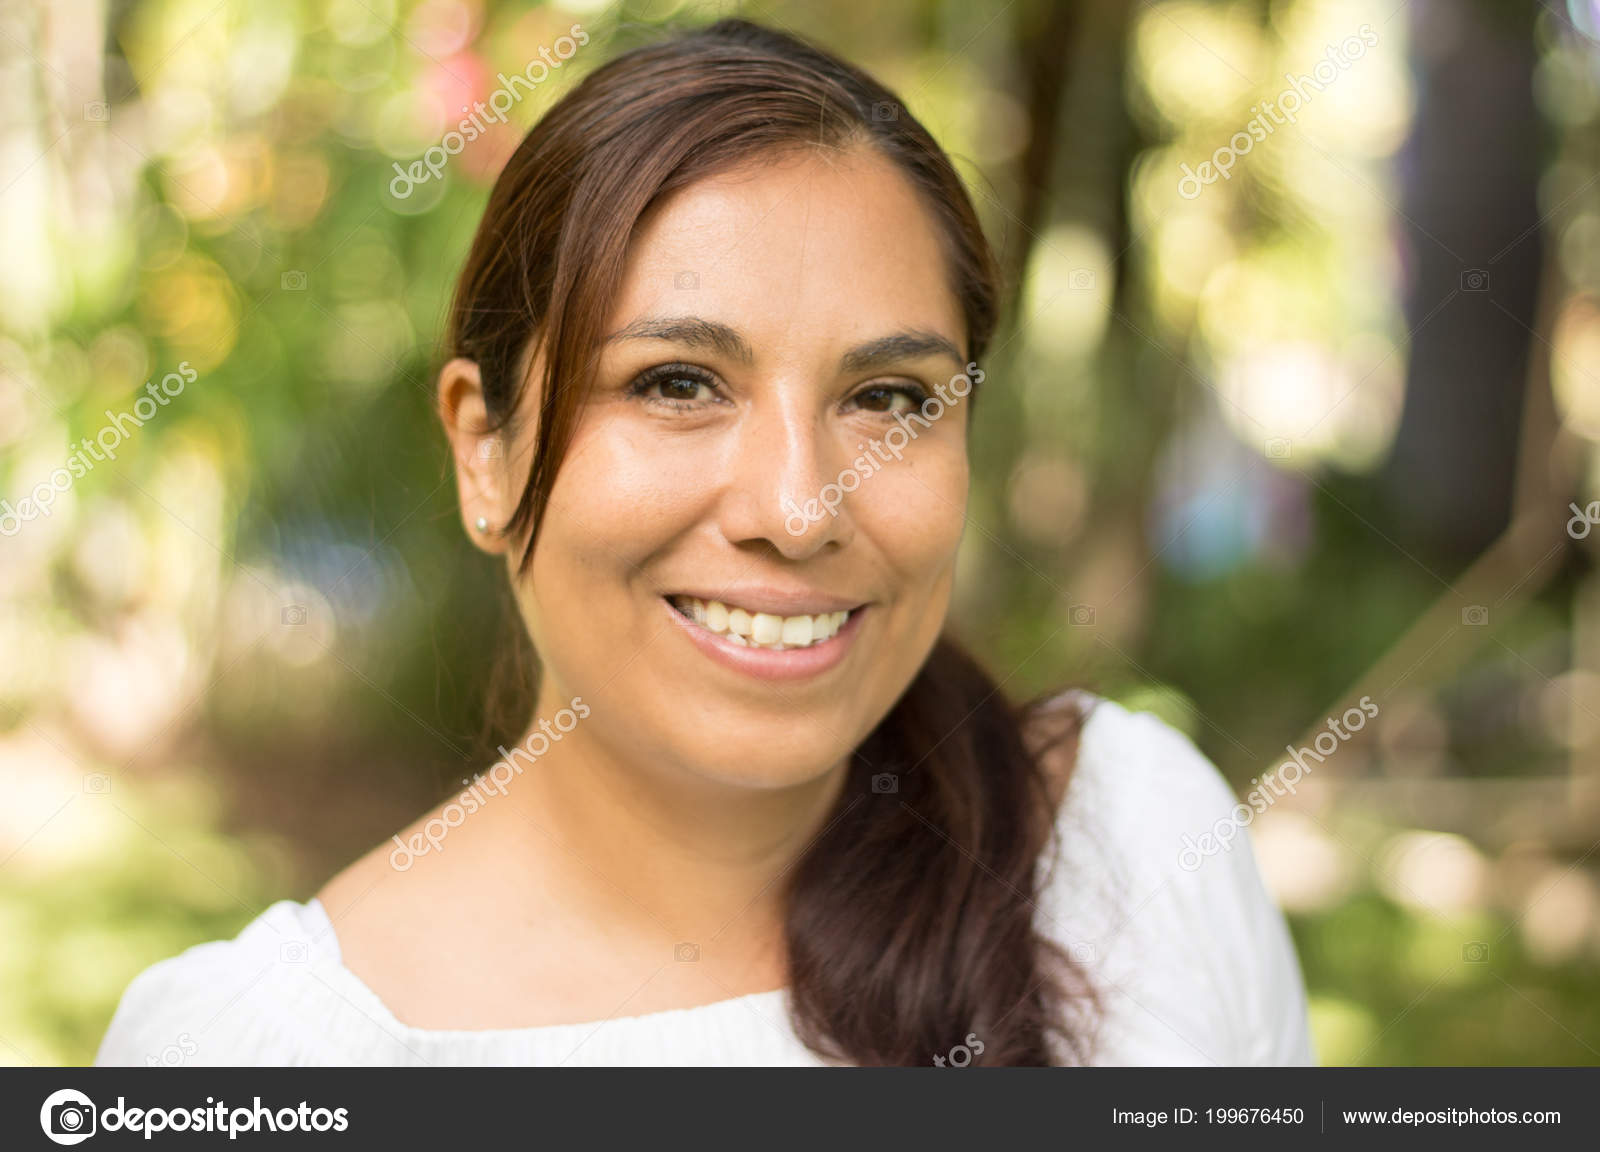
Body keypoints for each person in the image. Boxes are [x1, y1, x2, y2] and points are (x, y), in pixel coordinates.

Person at [96, 18, 1312, 1067]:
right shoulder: (257, 1055)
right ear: (484, 450)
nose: (796, 510)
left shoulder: (1127, 847)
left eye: (887, 398)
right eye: (677, 382)